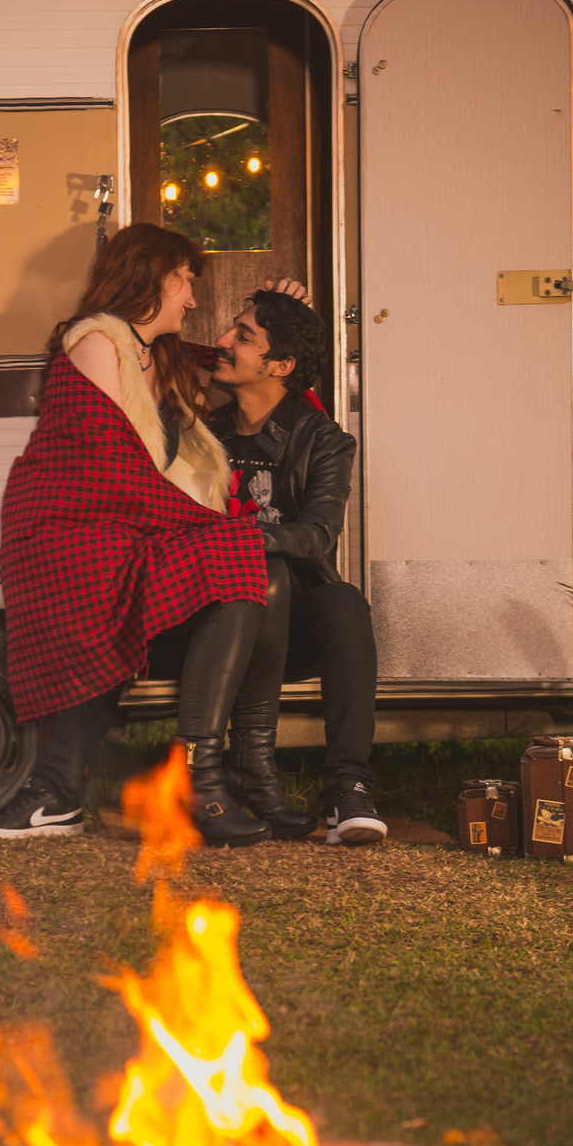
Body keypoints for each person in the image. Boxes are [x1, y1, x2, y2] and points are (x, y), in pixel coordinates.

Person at [0, 224, 291, 848]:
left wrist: (283, 304)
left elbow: (242, 363)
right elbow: (107, 467)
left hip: (124, 528)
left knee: (240, 558)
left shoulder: (158, 354)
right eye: (186, 283)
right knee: (209, 555)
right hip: (63, 529)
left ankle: (201, 778)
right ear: (152, 276)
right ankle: (58, 790)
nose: (193, 300)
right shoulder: (94, 343)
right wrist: (205, 522)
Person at [208, 290, 387, 845]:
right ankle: (225, 772)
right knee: (268, 574)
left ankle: (348, 789)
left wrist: (239, 539)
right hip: (211, 618)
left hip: (286, 624)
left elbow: (316, 536)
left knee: (344, 602)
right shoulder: (204, 433)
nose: (223, 342)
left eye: (242, 336)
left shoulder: (324, 440)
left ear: (280, 366)